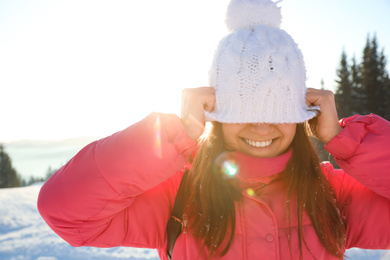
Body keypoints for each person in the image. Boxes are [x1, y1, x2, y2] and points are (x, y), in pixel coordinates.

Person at [38, 0, 390, 259]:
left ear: (302, 115)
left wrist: (350, 142)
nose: (261, 124)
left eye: (277, 109)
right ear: (216, 112)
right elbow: (66, 212)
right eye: (243, 109)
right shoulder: (178, 199)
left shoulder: (332, 195)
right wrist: (175, 135)